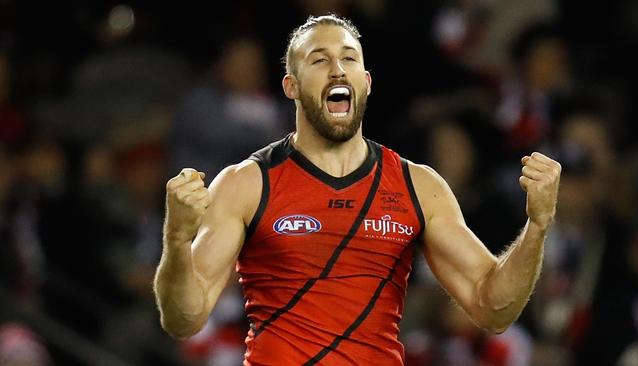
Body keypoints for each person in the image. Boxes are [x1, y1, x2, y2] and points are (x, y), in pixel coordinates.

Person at [153, 14, 562, 365]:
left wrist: (537, 226)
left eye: (348, 58)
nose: (336, 69)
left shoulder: (417, 186)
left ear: (365, 81)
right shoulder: (247, 182)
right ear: (290, 86)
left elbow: (493, 308)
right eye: (319, 60)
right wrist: (176, 238)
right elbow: (184, 318)